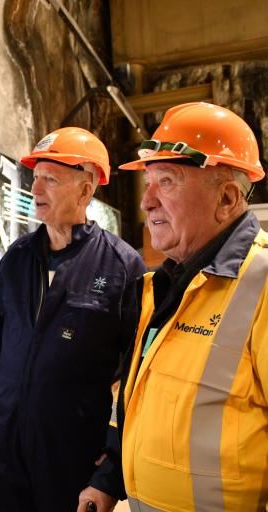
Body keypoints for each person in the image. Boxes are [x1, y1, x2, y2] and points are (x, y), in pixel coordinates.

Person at [79, 102, 268, 512]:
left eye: (167, 181)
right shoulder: (159, 287)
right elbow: (136, 399)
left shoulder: (263, 285)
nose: (147, 203)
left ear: (227, 197)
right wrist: (109, 479)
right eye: (148, 183)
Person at [0, 127, 145, 511]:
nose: (35, 189)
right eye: (35, 177)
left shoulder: (123, 267)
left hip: (70, 445)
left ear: (86, 190)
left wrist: (115, 455)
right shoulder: (18, 257)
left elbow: (138, 372)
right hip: (4, 438)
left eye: (50, 180)